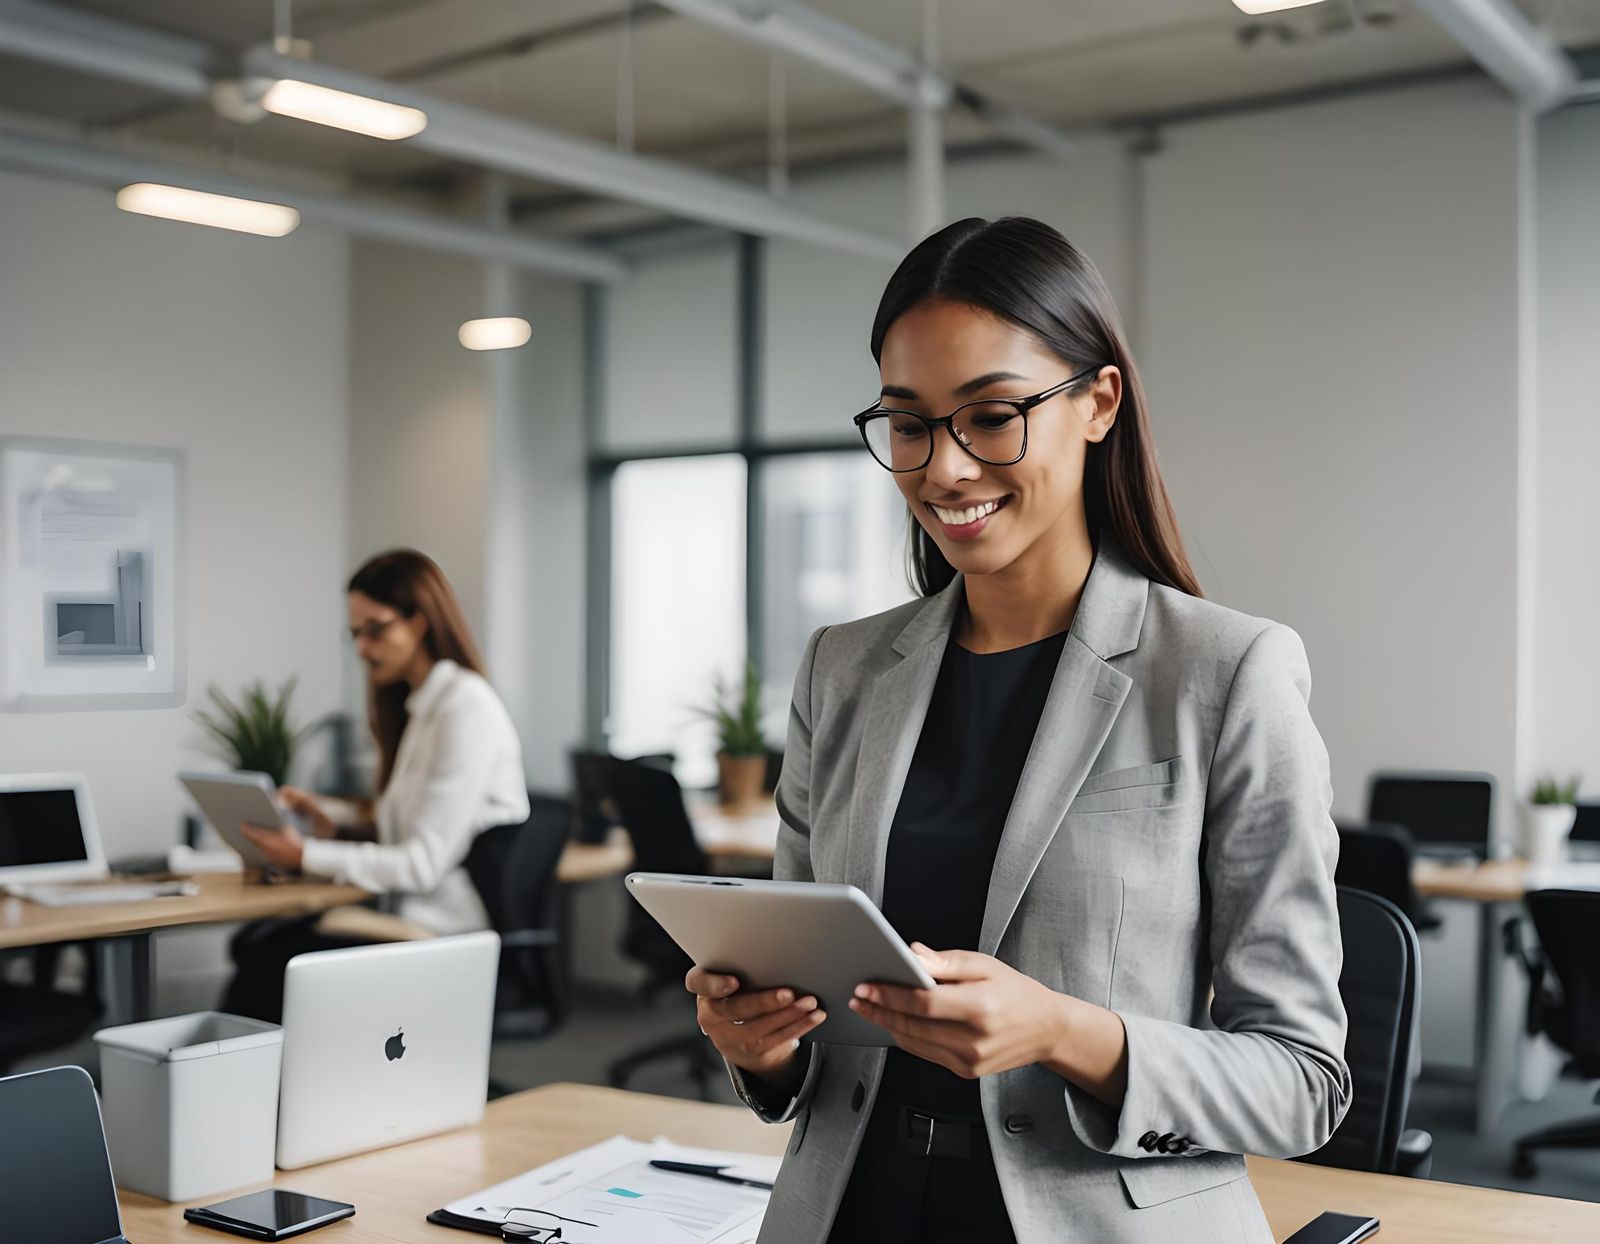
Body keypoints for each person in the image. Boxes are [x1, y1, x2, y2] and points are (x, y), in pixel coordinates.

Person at [686, 217, 1350, 1244]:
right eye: (908, 425)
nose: (943, 469)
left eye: (991, 416)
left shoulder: (1225, 672)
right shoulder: (843, 669)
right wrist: (760, 1041)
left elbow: (1303, 1081)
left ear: (1097, 402)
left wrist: (1063, 1030)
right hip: (848, 1209)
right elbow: (807, 1027)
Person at [222, 548, 528, 1022]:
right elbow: (413, 816)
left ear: (421, 621)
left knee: (270, 967)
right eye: (355, 634)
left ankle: (252, 1093)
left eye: (376, 629)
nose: (363, 648)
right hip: (406, 917)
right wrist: (335, 817)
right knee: (257, 944)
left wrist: (302, 855)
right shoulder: (423, 706)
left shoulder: (464, 708)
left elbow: (422, 864)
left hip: (443, 929)